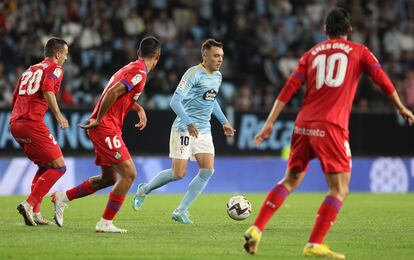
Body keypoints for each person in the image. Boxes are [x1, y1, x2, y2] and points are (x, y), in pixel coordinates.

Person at [243, 8, 414, 259]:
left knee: (289, 180)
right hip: (331, 127)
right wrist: (400, 106)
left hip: (303, 125)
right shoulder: (360, 51)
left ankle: (256, 228)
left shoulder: (311, 53)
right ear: (350, 31)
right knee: (339, 189)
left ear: (325, 31)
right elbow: (382, 80)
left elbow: (289, 88)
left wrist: (270, 122)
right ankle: (314, 243)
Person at [51, 36, 161, 233]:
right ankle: (105, 222)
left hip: (106, 127)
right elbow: (111, 93)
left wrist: (138, 108)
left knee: (108, 179)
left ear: (138, 53)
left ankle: (62, 197)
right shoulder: (139, 72)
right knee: (129, 174)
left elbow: (121, 95)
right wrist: (99, 119)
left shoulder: (129, 67)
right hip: (105, 127)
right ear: (158, 57)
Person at [132, 38, 236, 224]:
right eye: (216, 56)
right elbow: (174, 102)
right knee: (178, 173)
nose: (220, 60)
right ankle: (144, 189)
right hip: (184, 128)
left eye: (221, 56)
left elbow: (211, 101)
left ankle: (181, 210)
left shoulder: (217, 77)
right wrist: (188, 122)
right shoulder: (193, 74)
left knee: (207, 171)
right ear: (205, 56)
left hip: (204, 130)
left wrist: (224, 122)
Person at [10, 37, 69, 226]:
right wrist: (59, 116)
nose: (65, 59)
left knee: (45, 166)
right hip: (31, 122)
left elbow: (15, 96)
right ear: (57, 54)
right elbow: (48, 90)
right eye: (65, 55)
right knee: (59, 166)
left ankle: (35, 213)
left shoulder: (30, 70)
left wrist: (18, 118)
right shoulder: (56, 68)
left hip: (15, 123)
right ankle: (29, 204)